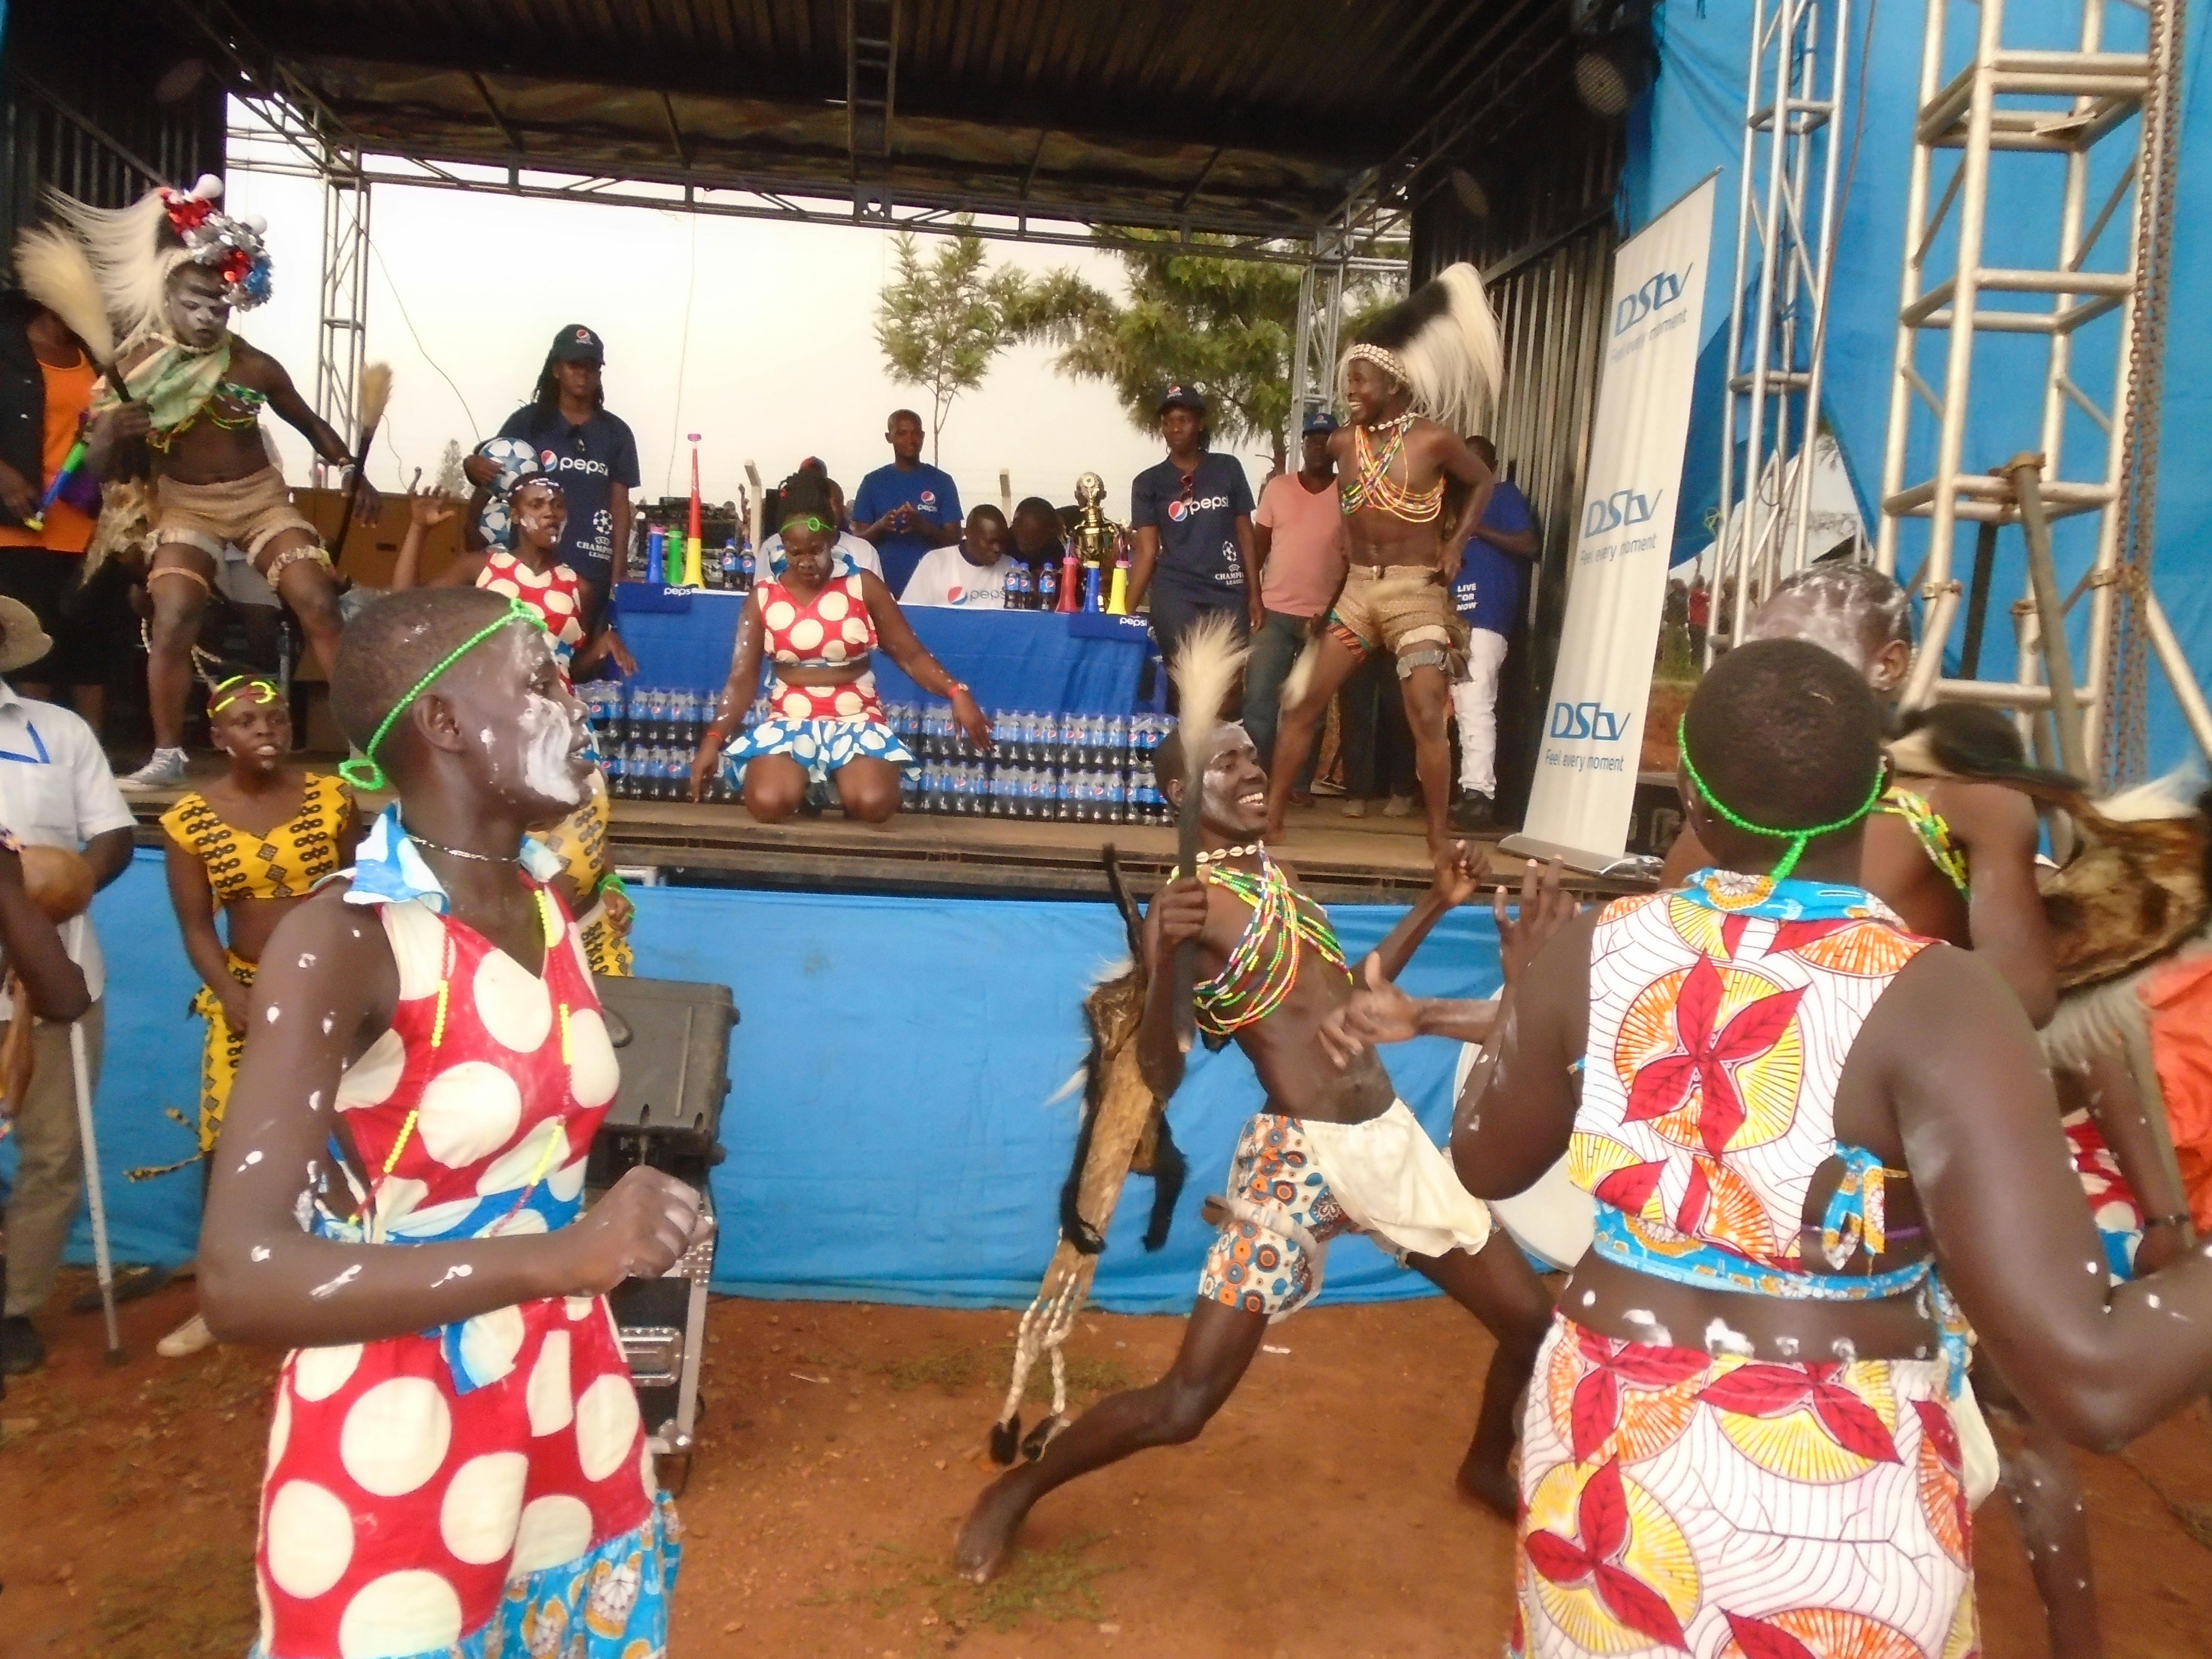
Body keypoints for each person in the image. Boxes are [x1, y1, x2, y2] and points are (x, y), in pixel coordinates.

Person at [1341, 637, 2212, 1659]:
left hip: (1608, 1464)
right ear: (1882, 793)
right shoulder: (1942, 1000)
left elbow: (1484, 1162)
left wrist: (1537, 993)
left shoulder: (1599, 947)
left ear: (1695, 810)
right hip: (1834, 1487)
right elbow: (2099, 1384)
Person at [197, 586, 703, 1659]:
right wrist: (564, 1256)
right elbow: (241, 1277)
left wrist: (586, 1232)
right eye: (538, 680)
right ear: (442, 722)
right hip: (399, 1421)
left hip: (567, 1394)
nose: (574, 703)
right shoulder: (344, 940)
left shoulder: (547, 905)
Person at [1656, 562, 2149, 1658]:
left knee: (2011, 1419)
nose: (1779, 688)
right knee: (1762, 1403)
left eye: (1808, 661)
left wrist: (1971, 880)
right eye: (1760, 662)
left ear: (1885, 672)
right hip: (1765, 1194)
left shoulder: (1961, 808)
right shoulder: (1722, 827)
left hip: (1915, 1179)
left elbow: (2020, 998)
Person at [952, 719, 1552, 1584]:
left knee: (1530, 1322)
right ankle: (1020, 1488)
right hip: (1295, 1163)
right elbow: (1157, 1069)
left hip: (1386, 1139)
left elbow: (1347, 1000)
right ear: (1176, 796)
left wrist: (1435, 903)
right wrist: (1158, 961)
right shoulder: (1184, 910)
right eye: (1223, 761)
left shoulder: (1275, 873)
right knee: (1185, 1404)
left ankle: (1483, 1466)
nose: (1250, 768)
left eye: (1250, 755)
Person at [49, 177, 379, 794]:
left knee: (318, 603)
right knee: (174, 615)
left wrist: (355, 473)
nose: (206, 318)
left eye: (218, 307)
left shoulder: (252, 364)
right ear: (168, 297)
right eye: (194, 303)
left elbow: (311, 426)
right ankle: (168, 753)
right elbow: (95, 470)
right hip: (185, 506)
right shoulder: (136, 366)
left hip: (260, 500)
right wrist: (111, 431)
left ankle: (364, 744)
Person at [136, 675, 358, 1358]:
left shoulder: (333, 798)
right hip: (248, 994)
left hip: (334, 992)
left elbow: (360, 893)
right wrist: (230, 994)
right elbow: (198, 926)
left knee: (354, 1135)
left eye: (276, 718)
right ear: (218, 738)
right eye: (246, 721)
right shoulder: (190, 821)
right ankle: (222, 1299)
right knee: (233, 1141)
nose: (265, 729)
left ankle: (356, 1285)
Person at [1263, 266, 1503, 856]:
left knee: (1425, 711)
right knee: (1301, 703)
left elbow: (1483, 483)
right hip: (1356, 596)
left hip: (1414, 594)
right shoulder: (1345, 444)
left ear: (1393, 387)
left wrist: (1455, 544)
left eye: (1360, 383)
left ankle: (1439, 834)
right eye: (1349, 383)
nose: (1351, 394)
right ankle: (1268, 825)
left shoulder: (1434, 441)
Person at [393, 465, 638, 975]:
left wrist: (602, 647)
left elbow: (567, 660)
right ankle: (510, 955)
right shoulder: (482, 569)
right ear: (513, 515)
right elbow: (405, 607)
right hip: (501, 723)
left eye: (557, 507)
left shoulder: (578, 584)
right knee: (510, 833)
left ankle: (562, 951)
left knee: (579, 823)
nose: (549, 514)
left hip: (564, 721)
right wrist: (418, 529)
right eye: (535, 506)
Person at [688, 471, 988, 824]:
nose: (805, 561)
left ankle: (842, 782)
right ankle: (806, 786)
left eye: (816, 550)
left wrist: (956, 692)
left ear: (832, 539)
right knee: (767, 803)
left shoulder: (864, 585)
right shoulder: (763, 596)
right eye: (795, 551)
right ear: (782, 547)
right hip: (791, 717)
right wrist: (713, 740)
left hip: (856, 716)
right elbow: (742, 678)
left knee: (873, 804)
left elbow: (911, 654)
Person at [0, 595, 134, 1376]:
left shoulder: (59, 731)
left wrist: (68, 889)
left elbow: (114, 830)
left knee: (52, 1151)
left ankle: (15, 1305)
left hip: (59, 966)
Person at [0, 278, 152, 732]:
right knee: (30, 649)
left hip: (88, 527)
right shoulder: (8, 348)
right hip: (20, 524)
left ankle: (91, 757)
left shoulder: (99, 357)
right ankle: (28, 754)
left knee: (91, 650)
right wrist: (4, 475)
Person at [481, 324, 638, 627]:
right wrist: (472, 466)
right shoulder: (528, 423)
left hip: (592, 568)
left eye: (591, 366)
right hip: (532, 569)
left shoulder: (617, 433)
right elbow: (493, 474)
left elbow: (620, 507)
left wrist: (619, 572)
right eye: (574, 365)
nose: (583, 373)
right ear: (556, 370)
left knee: (577, 653)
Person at [1243, 412, 1348, 802]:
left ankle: (1299, 785)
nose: (1319, 446)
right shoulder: (1279, 489)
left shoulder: (1348, 494)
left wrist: (1333, 613)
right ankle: (1256, 781)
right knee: (1259, 702)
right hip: (1273, 612)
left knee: (1310, 708)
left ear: (1337, 447)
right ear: (1302, 445)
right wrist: (1254, 598)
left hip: (1323, 620)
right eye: (1312, 439)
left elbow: (1353, 563)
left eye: (1326, 440)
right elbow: (1258, 546)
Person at [1126, 386, 1255, 672]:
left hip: (1228, 591)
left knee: (1227, 680)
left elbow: (1247, 534)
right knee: (1184, 677)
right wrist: (1124, 611)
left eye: (1183, 420)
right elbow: (1147, 552)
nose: (1175, 428)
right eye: (1168, 422)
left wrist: (1255, 596)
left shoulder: (1228, 468)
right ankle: (1184, 719)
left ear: (1200, 424)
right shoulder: (1148, 482)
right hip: (1176, 594)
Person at [1448, 436, 1538, 831]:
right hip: (1455, 621)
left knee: (1476, 704)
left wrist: (1477, 527)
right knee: (1459, 708)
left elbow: (1530, 543)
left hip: (1487, 618)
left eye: (1479, 461)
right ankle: (1466, 789)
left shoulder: (1503, 496)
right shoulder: (1450, 507)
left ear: (1494, 465)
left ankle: (1479, 795)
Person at [852, 409, 963, 595]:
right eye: (902, 434)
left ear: (923, 436)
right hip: (882, 587)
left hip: (934, 589)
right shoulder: (873, 482)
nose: (911, 440)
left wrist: (924, 526)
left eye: (916, 433)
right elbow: (858, 544)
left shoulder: (942, 482)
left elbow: (955, 542)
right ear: (889, 437)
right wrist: (881, 526)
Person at [900, 504, 1015, 608]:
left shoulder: (1013, 569)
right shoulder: (936, 562)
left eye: (1002, 542)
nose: (998, 548)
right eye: (991, 542)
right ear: (969, 534)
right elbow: (911, 612)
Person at [1006, 495, 1066, 578]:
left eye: (1031, 543)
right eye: (1021, 535)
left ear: (1050, 534)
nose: (1024, 541)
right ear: (1014, 524)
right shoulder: (1003, 544)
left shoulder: (1056, 550)